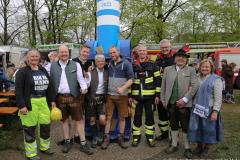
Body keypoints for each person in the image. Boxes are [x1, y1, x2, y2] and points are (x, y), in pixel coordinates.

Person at [50, 44, 93, 155]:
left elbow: (81, 79)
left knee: (79, 120)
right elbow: (51, 83)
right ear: (58, 53)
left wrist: (84, 87)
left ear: (68, 53)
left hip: (74, 96)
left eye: (66, 52)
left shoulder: (76, 65)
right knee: (64, 120)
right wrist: (52, 99)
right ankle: (67, 141)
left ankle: (83, 143)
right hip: (60, 97)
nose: (64, 54)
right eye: (62, 52)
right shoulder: (52, 66)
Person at [160, 44, 199, 159]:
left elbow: (195, 85)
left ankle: (187, 147)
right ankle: (174, 144)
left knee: (185, 126)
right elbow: (163, 86)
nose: (180, 58)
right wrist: (163, 100)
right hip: (170, 103)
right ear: (175, 58)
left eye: (183, 57)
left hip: (185, 104)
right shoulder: (167, 69)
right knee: (173, 124)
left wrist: (185, 99)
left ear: (186, 59)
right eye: (178, 56)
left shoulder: (191, 70)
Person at [15, 49, 54, 160]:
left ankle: (44, 147)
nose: (34, 58)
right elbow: (18, 90)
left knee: (45, 126)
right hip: (30, 103)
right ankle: (31, 153)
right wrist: (22, 105)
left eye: (36, 56)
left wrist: (51, 100)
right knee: (30, 129)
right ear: (28, 58)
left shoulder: (43, 70)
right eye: (32, 56)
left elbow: (49, 87)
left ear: (39, 57)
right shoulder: (22, 72)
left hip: (43, 102)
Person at [188, 59, 223, 157]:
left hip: (209, 109)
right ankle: (199, 146)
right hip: (196, 107)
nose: (204, 68)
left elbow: (218, 98)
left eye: (207, 67)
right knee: (197, 128)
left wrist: (215, 111)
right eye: (203, 66)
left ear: (211, 68)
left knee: (208, 129)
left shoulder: (216, 79)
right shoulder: (196, 77)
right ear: (199, 67)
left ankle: (206, 148)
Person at [101, 46, 134, 149]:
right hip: (110, 95)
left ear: (118, 52)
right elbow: (99, 62)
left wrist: (123, 88)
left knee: (122, 118)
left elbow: (131, 79)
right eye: (110, 53)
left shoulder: (126, 64)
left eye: (114, 52)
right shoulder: (109, 63)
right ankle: (106, 138)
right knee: (108, 117)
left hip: (122, 96)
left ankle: (121, 137)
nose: (112, 55)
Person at [129, 44, 160, 147]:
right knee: (136, 117)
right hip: (136, 97)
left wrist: (157, 95)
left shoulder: (153, 64)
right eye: (140, 51)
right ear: (137, 52)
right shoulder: (133, 65)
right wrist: (130, 95)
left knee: (150, 117)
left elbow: (158, 80)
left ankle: (150, 137)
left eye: (143, 50)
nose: (142, 52)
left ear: (146, 52)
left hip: (150, 98)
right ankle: (136, 137)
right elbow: (129, 81)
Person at [85, 54, 108, 148]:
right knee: (92, 119)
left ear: (105, 62)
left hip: (102, 99)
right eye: (98, 61)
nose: (100, 63)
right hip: (91, 98)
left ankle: (101, 134)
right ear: (95, 62)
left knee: (102, 119)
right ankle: (94, 136)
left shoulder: (108, 72)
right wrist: (86, 76)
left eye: (102, 61)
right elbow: (86, 85)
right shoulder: (90, 72)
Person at [155, 39, 175, 141]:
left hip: (172, 91)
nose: (164, 49)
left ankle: (173, 136)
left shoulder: (175, 58)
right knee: (162, 115)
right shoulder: (158, 60)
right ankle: (164, 133)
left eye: (166, 47)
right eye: (162, 48)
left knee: (172, 114)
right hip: (161, 91)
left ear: (170, 47)